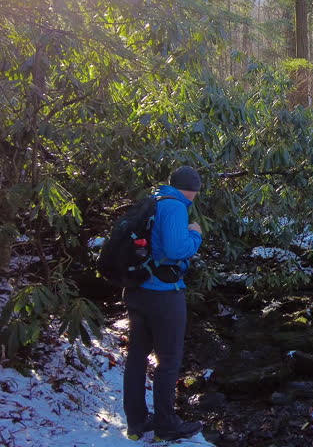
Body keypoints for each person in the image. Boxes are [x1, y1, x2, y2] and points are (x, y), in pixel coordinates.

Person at [123, 165, 204, 441]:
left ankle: (136, 423)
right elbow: (175, 249)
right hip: (163, 295)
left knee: (137, 356)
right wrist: (196, 234)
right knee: (169, 361)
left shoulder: (153, 200)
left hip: (138, 290)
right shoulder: (175, 207)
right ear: (193, 190)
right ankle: (165, 426)